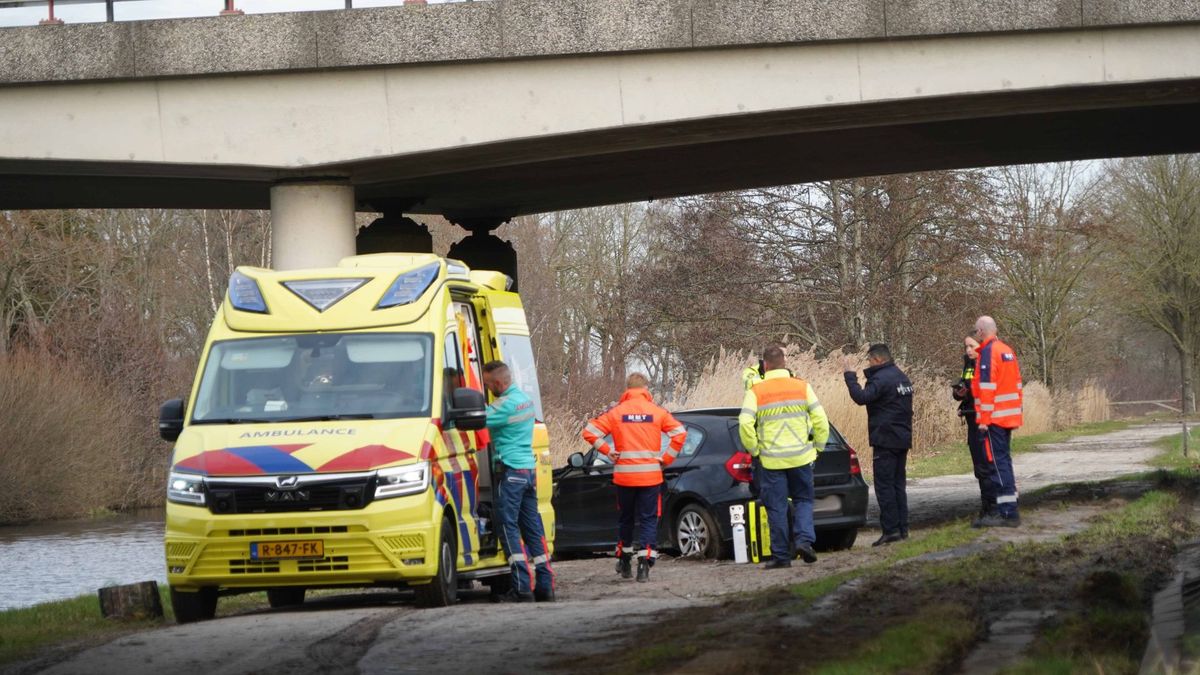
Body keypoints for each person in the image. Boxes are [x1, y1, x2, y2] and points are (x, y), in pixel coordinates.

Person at [581, 373, 687, 582]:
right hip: (650, 478)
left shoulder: (616, 412)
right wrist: (666, 459)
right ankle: (644, 565)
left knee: (626, 519)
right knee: (648, 519)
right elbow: (679, 433)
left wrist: (607, 450)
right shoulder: (657, 412)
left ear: (627, 390)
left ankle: (624, 560)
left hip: (625, 478)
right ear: (646, 389)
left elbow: (589, 431)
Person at [740, 345, 829, 569]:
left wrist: (755, 450)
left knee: (777, 507)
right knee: (804, 501)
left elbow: (744, 423)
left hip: (771, 461)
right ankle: (804, 542)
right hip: (801, 458)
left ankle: (781, 557)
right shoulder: (802, 386)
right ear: (785, 363)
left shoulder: (756, 391)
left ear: (765, 365)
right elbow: (821, 420)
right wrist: (818, 446)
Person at [482, 360, 555, 602]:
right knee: (533, 529)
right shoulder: (525, 399)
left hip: (510, 472)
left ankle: (522, 588)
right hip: (527, 471)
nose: (488, 388)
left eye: (488, 384)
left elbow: (476, 419)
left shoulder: (505, 405)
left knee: (508, 527)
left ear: (499, 383)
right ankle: (546, 586)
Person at [841, 344, 914, 546]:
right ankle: (902, 528)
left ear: (878, 360)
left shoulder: (882, 379)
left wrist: (850, 376)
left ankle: (891, 530)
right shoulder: (901, 376)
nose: (869, 364)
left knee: (884, 486)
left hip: (885, 438)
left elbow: (861, 397)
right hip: (902, 437)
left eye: (870, 361)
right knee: (898, 484)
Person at [971, 316, 1023, 527]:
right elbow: (1017, 384)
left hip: (994, 419)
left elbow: (987, 388)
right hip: (1007, 416)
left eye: (976, 332)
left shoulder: (989, 352)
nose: (976, 335)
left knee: (996, 464)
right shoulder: (1007, 350)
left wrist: (983, 420)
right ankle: (1009, 508)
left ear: (982, 331)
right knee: (1004, 462)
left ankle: (1007, 513)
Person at [953, 335, 1000, 527]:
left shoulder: (990, 362)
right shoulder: (969, 365)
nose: (968, 350)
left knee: (990, 465)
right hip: (973, 418)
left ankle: (997, 508)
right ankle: (987, 507)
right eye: (966, 347)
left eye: (972, 346)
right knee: (980, 468)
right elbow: (966, 385)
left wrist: (970, 390)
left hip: (988, 422)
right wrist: (959, 392)